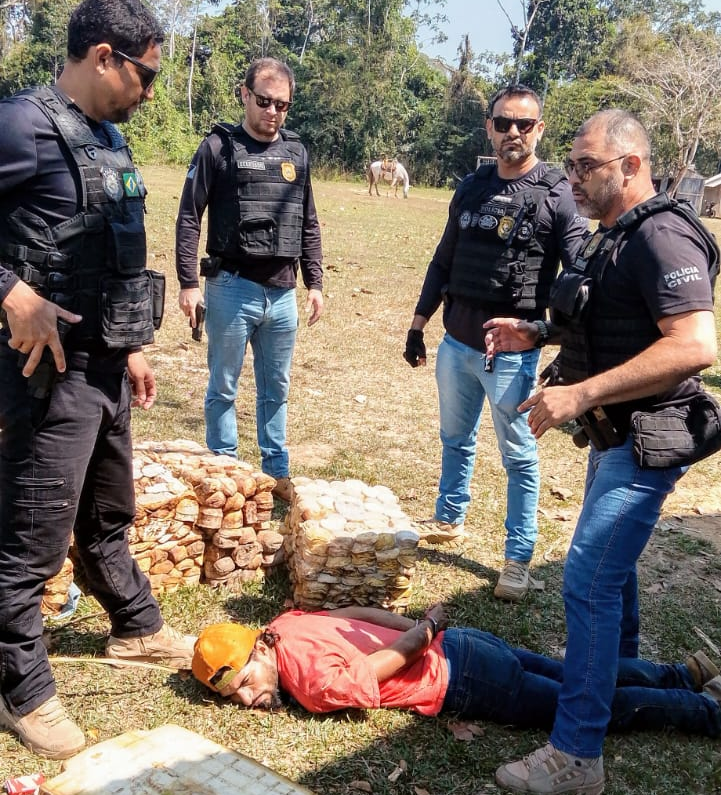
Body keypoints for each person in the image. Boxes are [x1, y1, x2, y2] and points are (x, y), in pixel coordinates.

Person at [485, 110, 718, 793]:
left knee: (586, 576)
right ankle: (617, 680)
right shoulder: (611, 236)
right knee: (608, 572)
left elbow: (693, 345)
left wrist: (581, 393)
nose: (572, 178)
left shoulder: (664, 235)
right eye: (571, 164)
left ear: (630, 165)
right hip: (615, 432)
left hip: (646, 439)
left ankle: (577, 753)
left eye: (585, 165)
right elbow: (605, 315)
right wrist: (536, 332)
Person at [0, 0, 197, 761]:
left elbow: (112, 250)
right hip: (47, 377)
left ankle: (137, 627)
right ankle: (23, 689)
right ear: (107, 55)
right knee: (29, 542)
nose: (151, 90)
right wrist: (11, 293)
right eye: (146, 75)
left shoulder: (107, 137)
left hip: (108, 363)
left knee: (108, 515)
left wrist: (133, 345)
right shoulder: (22, 125)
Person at [403, 84, 587, 601]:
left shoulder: (558, 196)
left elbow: (579, 276)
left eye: (524, 125)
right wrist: (419, 323)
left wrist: (554, 338)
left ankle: (517, 558)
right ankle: (449, 515)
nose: (512, 133)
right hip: (456, 344)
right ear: (489, 127)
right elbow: (444, 259)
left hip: (512, 356)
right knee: (454, 439)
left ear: (539, 130)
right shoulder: (471, 187)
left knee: (519, 456)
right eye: (503, 123)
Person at [191, 605, 721, 744]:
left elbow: (381, 666)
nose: (247, 699)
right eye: (232, 697)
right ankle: (683, 673)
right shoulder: (286, 624)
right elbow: (363, 615)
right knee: (570, 673)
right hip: (465, 644)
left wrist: (422, 637)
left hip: (464, 678)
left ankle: (705, 712)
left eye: (244, 683)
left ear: (258, 653)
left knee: (578, 707)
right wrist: (430, 625)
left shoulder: (310, 686)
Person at [175, 57, 324, 503]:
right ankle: (224, 469)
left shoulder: (297, 153)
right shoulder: (217, 148)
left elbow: (309, 222)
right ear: (244, 95)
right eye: (264, 101)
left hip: (282, 294)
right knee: (223, 384)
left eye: (282, 104)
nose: (273, 112)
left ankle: (276, 472)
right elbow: (188, 217)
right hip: (231, 287)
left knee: (276, 387)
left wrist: (315, 282)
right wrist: (188, 283)